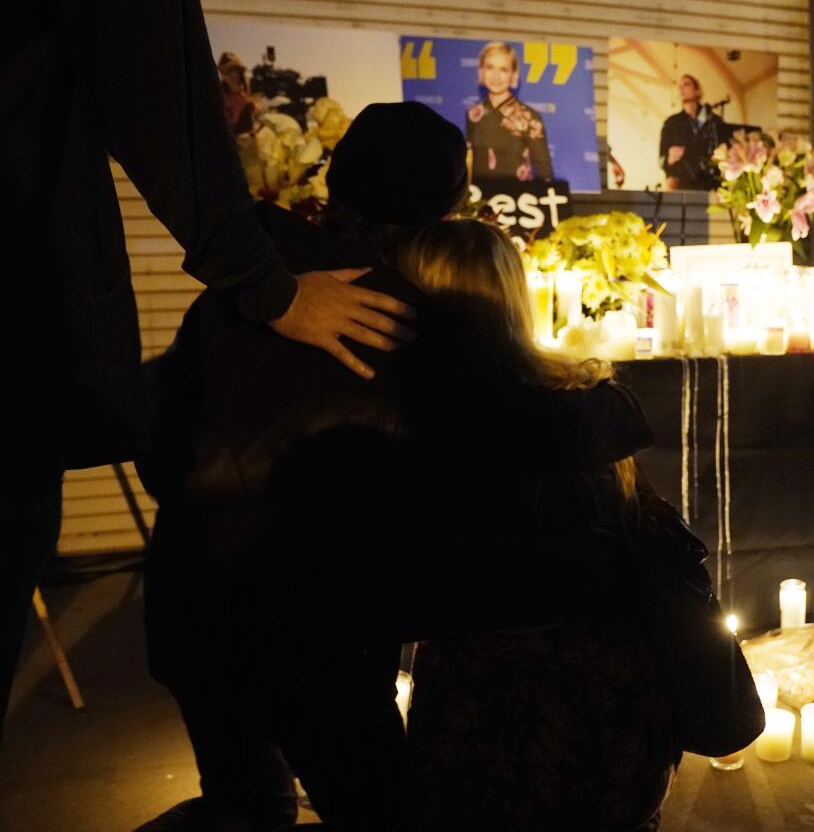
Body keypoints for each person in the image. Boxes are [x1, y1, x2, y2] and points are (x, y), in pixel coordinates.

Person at [134, 102, 657, 831]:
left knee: (248, 805)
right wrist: (629, 406)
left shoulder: (246, 290)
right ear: (440, 210)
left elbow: (154, 440)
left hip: (189, 606)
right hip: (313, 634)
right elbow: (535, 430)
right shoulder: (400, 311)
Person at [0, 0, 407, 749]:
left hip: (190, 638)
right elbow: (160, 97)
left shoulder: (217, 322)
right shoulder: (375, 313)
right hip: (313, 662)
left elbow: (166, 429)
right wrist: (269, 289)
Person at [399, 221, 677, 831]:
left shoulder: (397, 415)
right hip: (599, 681)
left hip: (475, 694)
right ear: (514, 294)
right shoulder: (579, 396)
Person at [466, 41, 553, 182]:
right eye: (490, 67)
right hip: (479, 199)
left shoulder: (530, 117)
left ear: (514, 75)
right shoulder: (473, 114)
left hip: (518, 199)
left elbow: (544, 170)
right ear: (481, 71)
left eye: (503, 69)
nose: (496, 76)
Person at [658, 74, 725, 191]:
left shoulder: (714, 121)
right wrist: (668, 158)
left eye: (686, 84)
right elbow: (662, 159)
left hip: (710, 184)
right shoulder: (671, 123)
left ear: (697, 90)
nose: (681, 89)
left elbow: (721, 152)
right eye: (679, 86)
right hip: (681, 185)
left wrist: (685, 151)